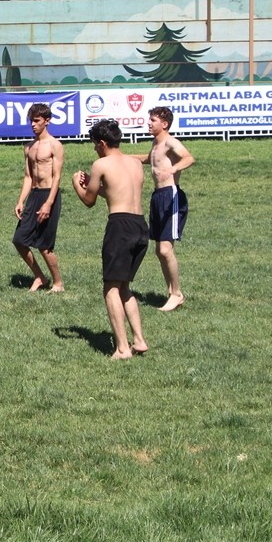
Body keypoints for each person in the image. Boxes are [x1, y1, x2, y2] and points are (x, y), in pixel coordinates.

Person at [71, 119, 149, 361]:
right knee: (125, 286)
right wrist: (95, 187)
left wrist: (76, 184)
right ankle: (139, 340)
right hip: (140, 226)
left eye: (95, 144)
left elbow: (89, 200)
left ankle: (122, 348)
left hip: (120, 227)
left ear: (103, 143)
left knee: (111, 288)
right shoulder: (135, 163)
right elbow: (115, 191)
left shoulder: (100, 164)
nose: (94, 148)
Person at [133, 106, 194, 312]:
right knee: (160, 251)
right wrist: (121, 157)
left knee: (165, 249)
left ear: (164, 124)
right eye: (149, 119)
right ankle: (172, 292)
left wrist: (174, 168)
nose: (149, 123)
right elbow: (147, 158)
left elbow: (188, 158)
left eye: (153, 120)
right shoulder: (155, 143)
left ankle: (176, 294)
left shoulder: (170, 142)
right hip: (158, 197)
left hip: (171, 196)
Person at [13, 103, 65, 292]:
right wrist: (21, 201)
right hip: (34, 195)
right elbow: (28, 177)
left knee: (44, 245)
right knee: (19, 240)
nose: (33, 125)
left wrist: (48, 203)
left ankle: (58, 283)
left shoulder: (55, 145)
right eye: (31, 121)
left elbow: (57, 176)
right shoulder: (28, 147)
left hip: (49, 194)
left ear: (47, 121)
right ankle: (39, 276)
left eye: (37, 121)